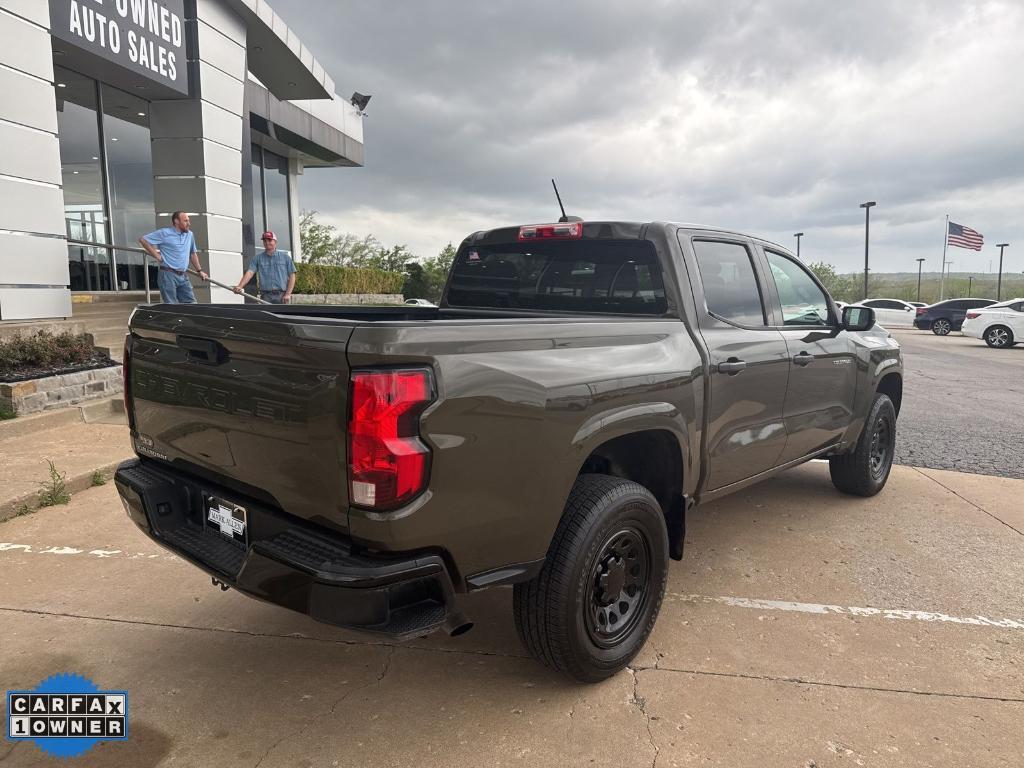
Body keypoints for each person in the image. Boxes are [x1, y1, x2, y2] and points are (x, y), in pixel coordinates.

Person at [139, 211, 208, 304]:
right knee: (172, 306)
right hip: (167, 274)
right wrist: (157, 256)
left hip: (183, 276)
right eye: (186, 221)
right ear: (176, 221)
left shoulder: (190, 235)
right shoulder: (165, 233)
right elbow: (143, 240)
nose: (189, 224)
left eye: (188, 221)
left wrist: (199, 271)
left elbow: (192, 253)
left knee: (192, 304)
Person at [234, 231, 297, 304]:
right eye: (265, 240)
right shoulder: (257, 258)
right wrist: (240, 286)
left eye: (270, 240)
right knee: (266, 315)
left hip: (282, 296)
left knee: (282, 315)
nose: (267, 242)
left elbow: (292, 276)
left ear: (275, 242)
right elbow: (250, 273)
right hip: (265, 296)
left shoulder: (286, 258)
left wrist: (288, 294)